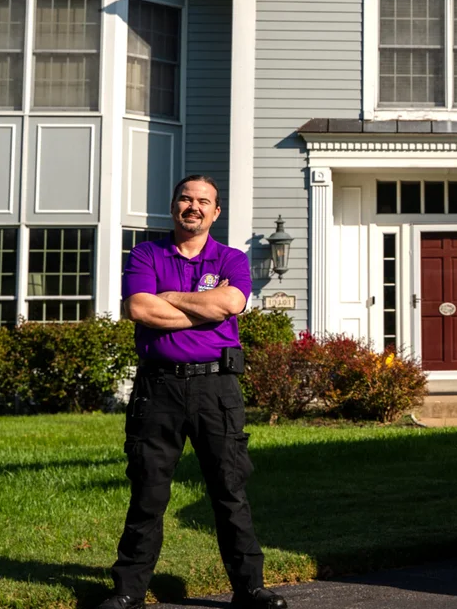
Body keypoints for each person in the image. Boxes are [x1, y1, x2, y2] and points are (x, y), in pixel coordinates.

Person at [99, 175, 286, 609]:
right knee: (148, 492)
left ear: (215, 212)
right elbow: (139, 307)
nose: (194, 206)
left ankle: (250, 589)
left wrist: (169, 298)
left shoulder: (231, 258)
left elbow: (232, 303)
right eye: (186, 198)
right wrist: (205, 310)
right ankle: (128, 591)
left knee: (229, 489)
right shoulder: (146, 254)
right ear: (173, 206)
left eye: (204, 201)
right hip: (158, 389)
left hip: (216, 389)